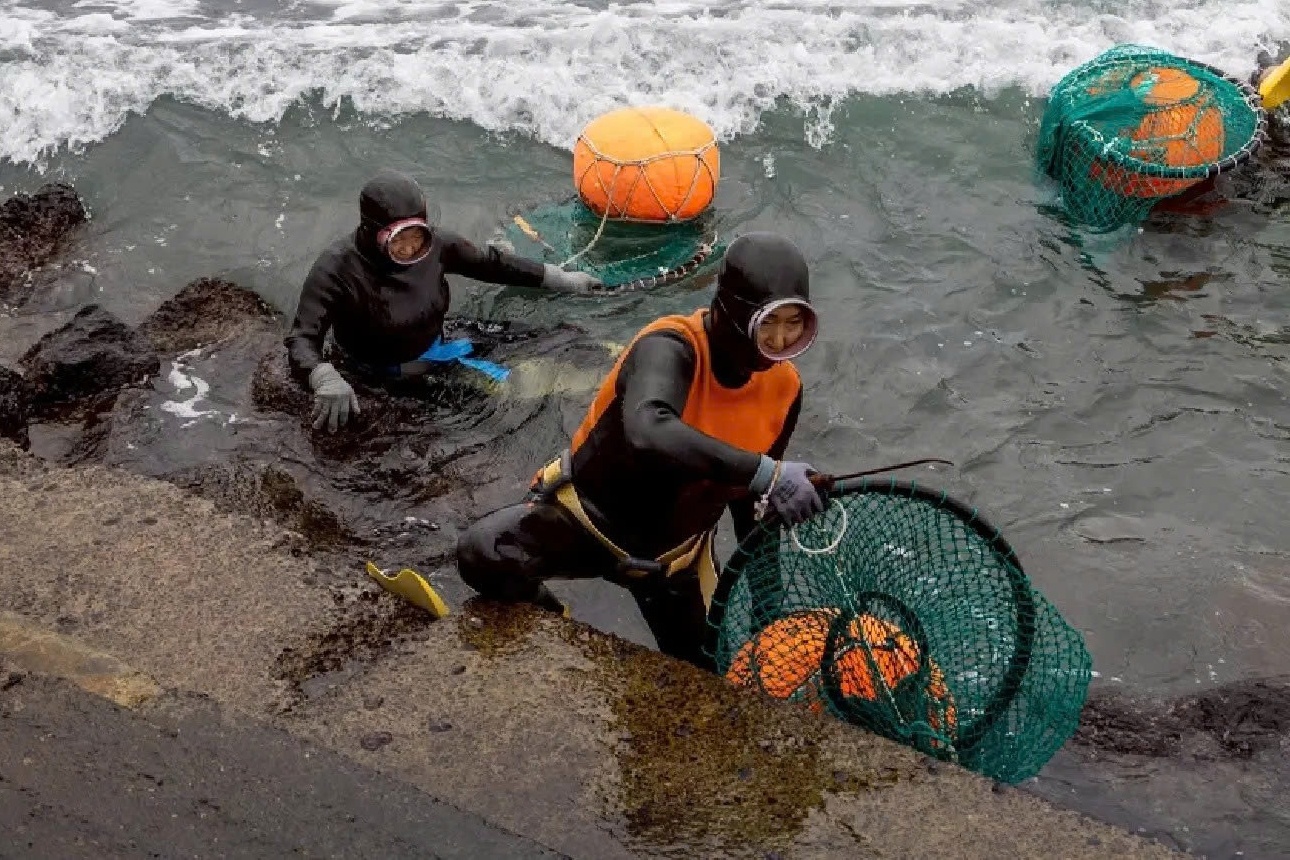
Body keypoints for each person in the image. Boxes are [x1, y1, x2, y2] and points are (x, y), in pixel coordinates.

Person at [456, 232, 825, 670]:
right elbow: (648, 430)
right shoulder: (670, 346)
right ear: (730, 310)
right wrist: (766, 473)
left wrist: (768, 609)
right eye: (768, 323)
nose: (781, 340)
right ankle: (552, 620)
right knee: (482, 553)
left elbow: (752, 504)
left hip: (673, 564)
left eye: (793, 323)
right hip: (588, 524)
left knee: (707, 672)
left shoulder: (785, 389)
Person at [285, 170, 603, 431]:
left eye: (417, 235)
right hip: (393, 372)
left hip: (446, 338)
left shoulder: (436, 245)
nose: (411, 249)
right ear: (372, 232)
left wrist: (557, 278)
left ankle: (611, 360)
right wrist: (322, 376)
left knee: (563, 338)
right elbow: (302, 338)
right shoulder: (336, 269)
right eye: (399, 240)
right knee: (516, 393)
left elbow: (491, 264)